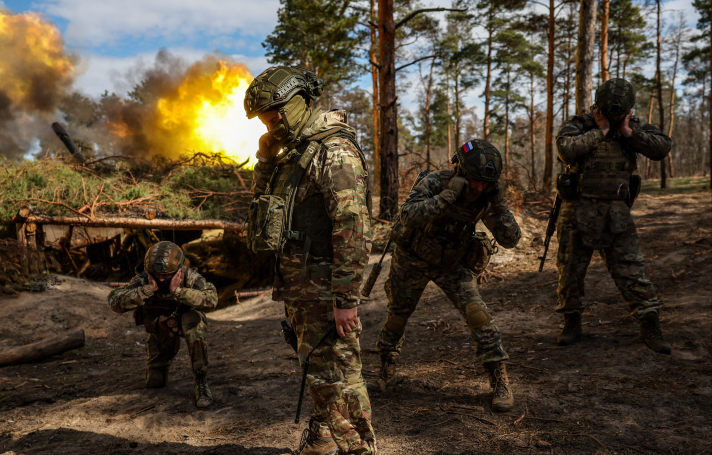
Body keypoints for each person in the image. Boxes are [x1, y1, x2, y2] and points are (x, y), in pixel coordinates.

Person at [244, 66, 376, 455]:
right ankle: (322, 440)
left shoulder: (333, 152)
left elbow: (354, 226)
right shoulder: (297, 153)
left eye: (274, 115)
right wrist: (265, 160)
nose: (271, 125)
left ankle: (358, 448)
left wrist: (346, 299)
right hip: (303, 286)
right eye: (265, 119)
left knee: (334, 376)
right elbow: (261, 210)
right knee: (324, 368)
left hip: (324, 288)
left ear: (298, 103)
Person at [376, 139, 521, 413]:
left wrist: (499, 207)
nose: (478, 187)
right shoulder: (435, 182)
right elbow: (407, 215)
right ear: (460, 170)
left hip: (451, 263)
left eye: (485, 183)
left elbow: (511, 239)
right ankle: (385, 367)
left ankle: (499, 378)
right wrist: (446, 198)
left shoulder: (486, 197)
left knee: (478, 315)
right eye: (474, 180)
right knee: (397, 315)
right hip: (412, 259)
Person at [554, 77, 672, 355]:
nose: (615, 117)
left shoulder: (632, 127)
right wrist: (601, 131)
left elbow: (663, 147)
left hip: (616, 213)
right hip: (577, 211)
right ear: (599, 108)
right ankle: (571, 322)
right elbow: (565, 150)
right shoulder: (580, 125)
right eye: (610, 113)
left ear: (629, 110)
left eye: (621, 114)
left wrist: (630, 133)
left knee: (631, 271)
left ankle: (649, 323)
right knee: (570, 272)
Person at [108, 241, 218, 408]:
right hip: (161, 329)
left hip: (185, 323)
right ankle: (160, 364)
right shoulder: (144, 279)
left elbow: (212, 298)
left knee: (194, 322)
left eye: (167, 276)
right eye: (156, 275)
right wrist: (147, 290)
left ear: (178, 270)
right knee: (155, 381)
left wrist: (178, 292)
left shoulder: (188, 276)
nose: (161, 279)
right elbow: (114, 300)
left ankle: (201, 382)